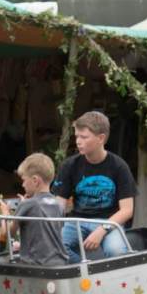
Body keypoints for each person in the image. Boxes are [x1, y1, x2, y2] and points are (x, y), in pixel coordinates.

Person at [53, 111, 136, 263]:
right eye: (77, 136)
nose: (78, 141)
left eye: (84, 137)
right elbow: (59, 205)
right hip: (77, 221)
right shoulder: (69, 165)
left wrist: (101, 230)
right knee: (55, 247)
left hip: (110, 221)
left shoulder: (119, 166)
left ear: (101, 138)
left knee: (116, 251)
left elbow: (127, 210)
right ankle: (87, 272)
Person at [0, 153, 67, 266]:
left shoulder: (28, 204)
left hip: (36, 264)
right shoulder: (58, 204)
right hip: (59, 262)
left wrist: (6, 213)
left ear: (35, 180)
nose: (23, 185)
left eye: (24, 180)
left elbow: (9, 233)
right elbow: (49, 235)